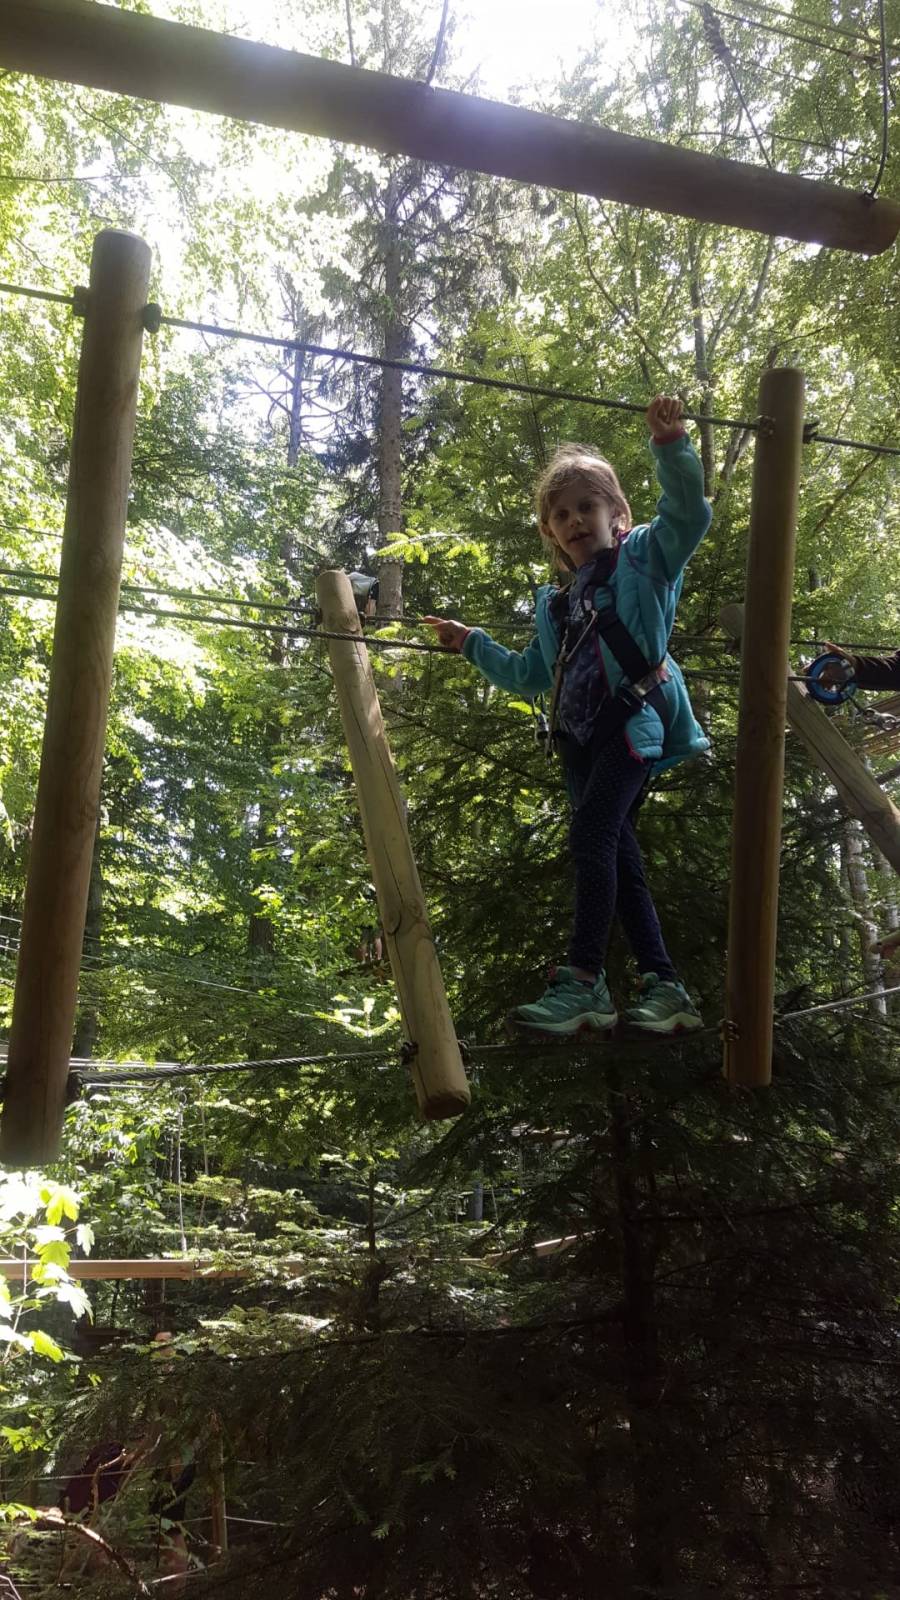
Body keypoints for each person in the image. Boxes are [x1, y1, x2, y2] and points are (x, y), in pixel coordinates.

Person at [425, 395, 711, 1038]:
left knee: (591, 837)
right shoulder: (557, 606)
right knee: (620, 858)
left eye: (587, 506)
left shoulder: (644, 562)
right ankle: (666, 987)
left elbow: (687, 515)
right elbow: (531, 673)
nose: (575, 519)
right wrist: (471, 643)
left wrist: (671, 446)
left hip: (633, 727)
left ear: (616, 514)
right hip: (579, 744)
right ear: (550, 533)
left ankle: (584, 981)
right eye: (561, 514)